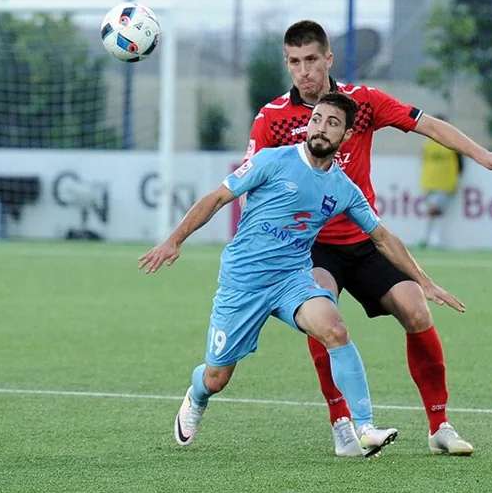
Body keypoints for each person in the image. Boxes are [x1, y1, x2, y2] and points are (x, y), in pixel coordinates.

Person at [244, 20, 492, 456]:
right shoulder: (272, 119)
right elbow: (250, 183)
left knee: (417, 312)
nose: (304, 71)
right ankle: (342, 425)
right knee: (324, 320)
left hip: (365, 239)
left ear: (328, 59)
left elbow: (427, 125)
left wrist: (483, 156)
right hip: (312, 246)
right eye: (294, 62)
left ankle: (440, 426)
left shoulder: (363, 102)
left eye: (312, 60)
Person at [140, 92, 465, 457]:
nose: (321, 128)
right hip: (244, 282)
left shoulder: (343, 189)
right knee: (218, 377)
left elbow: (383, 238)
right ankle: (197, 394)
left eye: (332, 123)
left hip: (292, 279)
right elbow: (217, 198)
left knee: (334, 329)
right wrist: (174, 240)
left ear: (345, 137)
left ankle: (365, 427)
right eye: (317, 119)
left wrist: (423, 281)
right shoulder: (272, 160)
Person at [419, 114, 464, 249]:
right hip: (430, 183)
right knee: (434, 211)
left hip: (445, 183)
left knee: (434, 210)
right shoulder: (428, 143)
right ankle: (431, 239)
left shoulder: (453, 143)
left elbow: (460, 165)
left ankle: (431, 239)